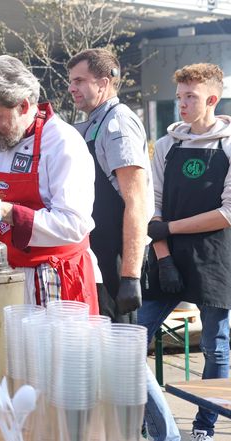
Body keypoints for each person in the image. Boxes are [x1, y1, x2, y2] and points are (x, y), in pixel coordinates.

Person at [0, 55, 100, 313]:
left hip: (56, 276)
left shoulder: (62, 143)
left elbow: (72, 224)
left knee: (53, 354)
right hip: (10, 271)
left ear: (23, 106)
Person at [141, 63, 231, 441]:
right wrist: (163, 256)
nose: (182, 104)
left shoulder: (228, 146)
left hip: (216, 259)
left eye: (190, 97)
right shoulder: (166, 145)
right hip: (169, 258)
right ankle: (151, 423)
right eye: (179, 96)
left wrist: (171, 228)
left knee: (216, 346)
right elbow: (153, 206)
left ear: (212, 98)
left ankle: (204, 427)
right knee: (133, 337)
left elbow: (228, 212)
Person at [67, 48, 153, 323]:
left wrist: (129, 276)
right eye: (71, 81)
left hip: (117, 255)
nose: (72, 88)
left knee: (120, 351)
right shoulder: (94, 122)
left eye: (79, 81)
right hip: (96, 251)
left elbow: (136, 203)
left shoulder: (119, 123)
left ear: (104, 83)